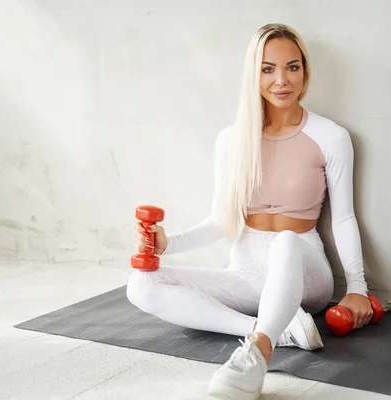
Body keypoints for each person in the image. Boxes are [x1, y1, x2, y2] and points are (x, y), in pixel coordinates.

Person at [127, 23, 372, 400]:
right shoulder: (231, 140)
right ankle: (280, 329)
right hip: (247, 271)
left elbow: (343, 218)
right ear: (253, 74)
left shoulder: (331, 137)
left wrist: (357, 288)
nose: (281, 80)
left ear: (305, 71)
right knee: (141, 285)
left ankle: (257, 352)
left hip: (304, 270)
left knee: (285, 241)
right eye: (267, 68)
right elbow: (221, 221)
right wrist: (166, 245)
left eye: (292, 67)